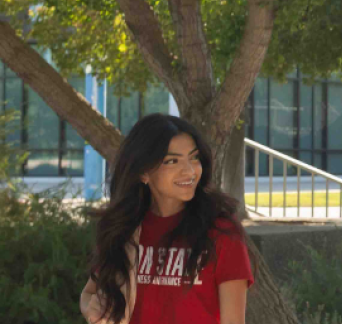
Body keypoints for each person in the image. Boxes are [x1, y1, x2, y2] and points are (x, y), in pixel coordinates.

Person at [79, 114, 254, 324]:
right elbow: (88, 294)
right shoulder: (125, 228)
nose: (189, 171)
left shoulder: (221, 231)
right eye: (172, 161)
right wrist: (94, 309)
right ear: (143, 173)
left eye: (194, 157)